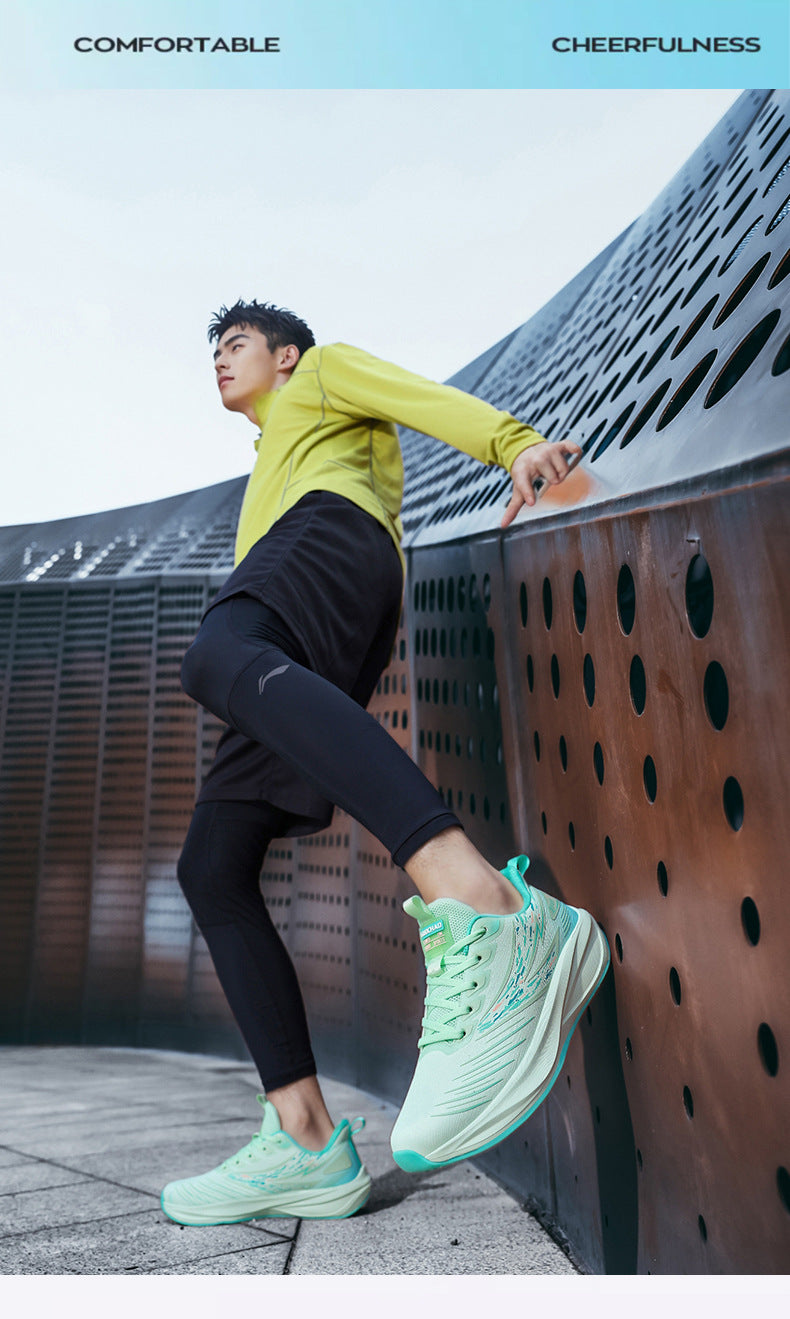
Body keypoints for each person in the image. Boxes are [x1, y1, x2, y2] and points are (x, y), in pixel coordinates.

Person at [160, 300, 609, 1226]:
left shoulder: (322, 375)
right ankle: (305, 1137)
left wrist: (513, 443)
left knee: (213, 652)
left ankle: (490, 905)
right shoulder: (270, 453)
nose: (220, 361)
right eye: (213, 352)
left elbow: (414, 396)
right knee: (212, 864)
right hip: (293, 604)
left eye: (236, 344)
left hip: (327, 546)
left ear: (287, 356)